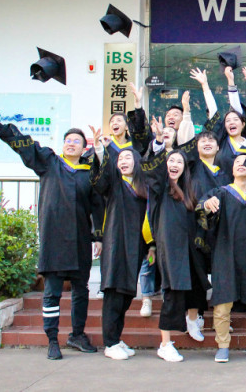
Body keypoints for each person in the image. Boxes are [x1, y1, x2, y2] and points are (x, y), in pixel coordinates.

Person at [0, 114, 103, 361]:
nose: (71, 144)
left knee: (81, 290)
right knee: (52, 292)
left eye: (76, 141)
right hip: (54, 239)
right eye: (68, 140)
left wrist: (98, 236)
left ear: (83, 147)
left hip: (79, 240)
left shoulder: (89, 173)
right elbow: (25, 144)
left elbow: (97, 206)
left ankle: (77, 335)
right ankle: (52, 340)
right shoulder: (49, 162)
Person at [143, 122, 210, 362]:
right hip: (170, 249)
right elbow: (153, 170)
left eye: (179, 162)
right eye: (171, 161)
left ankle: (192, 320)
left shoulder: (188, 190)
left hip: (189, 248)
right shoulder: (160, 188)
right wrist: (160, 144)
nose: (174, 165)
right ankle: (165, 344)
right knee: (172, 293)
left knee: (196, 285)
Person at [196, 153, 246, 364]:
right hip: (225, 254)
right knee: (222, 305)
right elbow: (202, 211)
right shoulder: (220, 193)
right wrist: (206, 205)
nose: (241, 165)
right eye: (237, 162)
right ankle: (222, 346)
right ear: (232, 169)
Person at [89, 127, 149, 361]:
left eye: (128, 157)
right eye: (120, 158)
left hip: (135, 246)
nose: (123, 161)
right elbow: (100, 179)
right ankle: (110, 342)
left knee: (126, 294)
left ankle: (116, 337)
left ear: (137, 162)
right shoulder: (115, 185)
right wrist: (99, 149)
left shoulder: (143, 188)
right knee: (114, 293)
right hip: (116, 246)